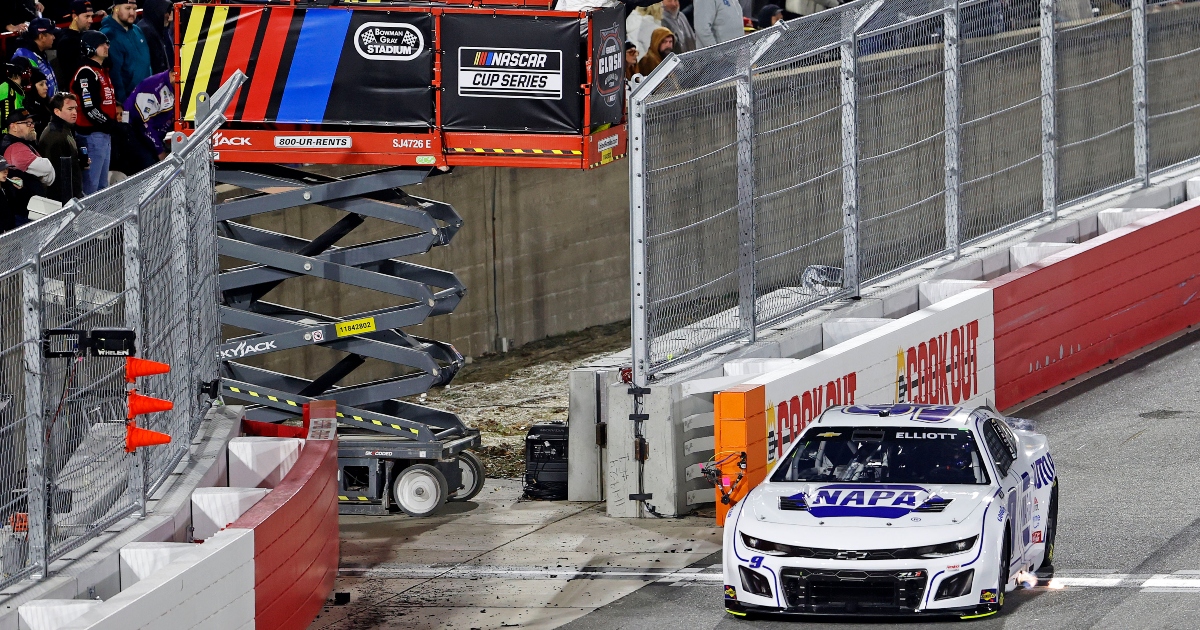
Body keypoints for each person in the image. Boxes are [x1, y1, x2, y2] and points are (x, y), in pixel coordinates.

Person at [71, 29, 117, 194]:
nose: (106, 47)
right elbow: (89, 107)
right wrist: (111, 124)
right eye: (101, 44)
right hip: (92, 136)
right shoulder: (86, 72)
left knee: (101, 186)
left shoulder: (101, 70)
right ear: (91, 47)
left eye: (107, 43)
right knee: (91, 187)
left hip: (103, 134)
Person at [100, 0, 152, 103]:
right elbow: (114, 74)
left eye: (134, 9)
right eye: (128, 8)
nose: (132, 13)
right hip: (127, 100)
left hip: (145, 97)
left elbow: (146, 64)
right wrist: (122, 103)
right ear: (116, 9)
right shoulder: (107, 35)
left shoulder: (137, 30)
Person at [38, 92, 85, 201]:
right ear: (57, 111)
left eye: (75, 108)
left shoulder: (65, 129)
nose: (74, 112)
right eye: (70, 109)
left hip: (71, 196)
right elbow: (57, 176)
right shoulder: (55, 136)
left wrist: (79, 163)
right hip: (63, 201)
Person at [123, 70, 173, 171]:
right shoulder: (151, 87)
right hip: (135, 134)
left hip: (155, 135)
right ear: (174, 73)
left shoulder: (175, 86)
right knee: (151, 168)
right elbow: (144, 125)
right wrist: (160, 152)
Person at [1, 109, 55, 196]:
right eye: (27, 123)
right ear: (14, 127)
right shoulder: (15, 148)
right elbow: (47, 170)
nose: (32, 126)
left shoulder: (22, 143)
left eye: (32, 123)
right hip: (24, 204)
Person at [10, 18, 58, 96]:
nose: (54, 37)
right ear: (41, 37)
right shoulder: (22, 57)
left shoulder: (40, 52)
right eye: (51, 34)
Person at [54, 1, 97, 86]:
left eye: (92, 16)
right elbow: (72, 74)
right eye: (87, 16)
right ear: (74, 17)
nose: (91, 20)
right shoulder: (66, 42)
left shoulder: (84, 36)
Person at [139, 0, 174, 75]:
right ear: (157, 11)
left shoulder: (158, 28)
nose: (169, 17)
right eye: (167, 12)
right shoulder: (146, 30)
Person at [1, 64, 28, 132]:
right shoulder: (7, 91)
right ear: (15, 76)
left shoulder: (15, 90)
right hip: (8, 135)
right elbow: (6, 117)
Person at [23, 68, 51, 135]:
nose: (46, 87)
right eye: (41, 84)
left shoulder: (48, 101)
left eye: (45, 84)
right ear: (32, 87)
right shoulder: (28, 105)